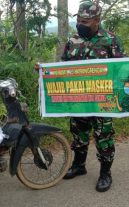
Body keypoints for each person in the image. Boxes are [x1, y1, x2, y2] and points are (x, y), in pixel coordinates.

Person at [61, 2, 126, 192]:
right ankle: (79, 166)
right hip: (79, 100)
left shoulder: (111, 40)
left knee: (104, 137)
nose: (80, 23)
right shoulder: (72, 41)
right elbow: (62, 68)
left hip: (103, 101)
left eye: (85, 21)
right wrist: (44, 72)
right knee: (78, 134)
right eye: (79, 20)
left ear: (98, 20)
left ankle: (105, 173)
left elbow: (122, 70)